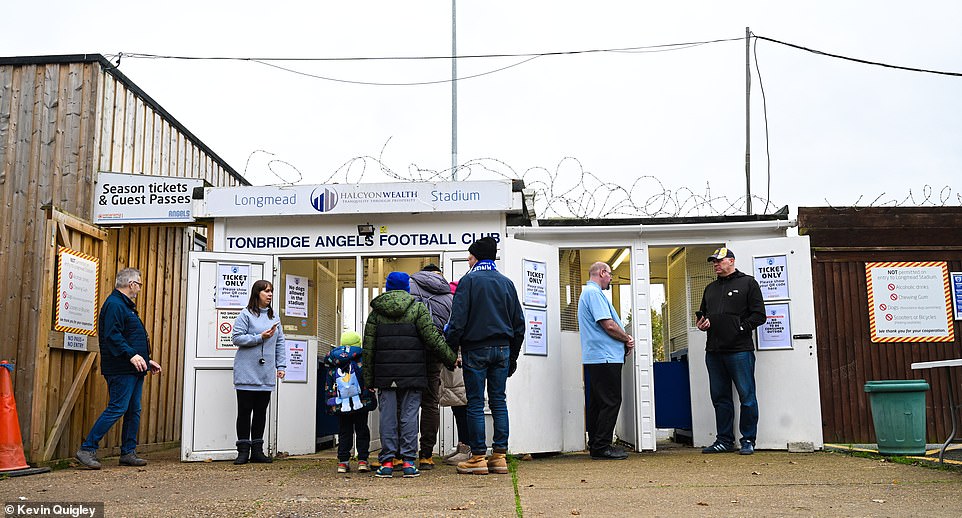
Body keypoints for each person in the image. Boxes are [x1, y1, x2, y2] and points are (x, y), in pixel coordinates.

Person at [363, 271, 456, 479]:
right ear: (407, 287)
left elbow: (368, 348)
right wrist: (451, 358)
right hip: (413, 373)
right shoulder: (417, 309)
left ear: (388, 287)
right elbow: (433, 339)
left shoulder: (376, 313)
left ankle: (386, 462)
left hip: (386, 375)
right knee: (409, 416)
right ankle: (408, 462)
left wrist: (368, 380)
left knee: (387, 417)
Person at [445, 237, 525, 475]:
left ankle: (478, 457)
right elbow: (519, 325)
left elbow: (457, 322)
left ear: (476, 257)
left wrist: (450, 350)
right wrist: (513, 356)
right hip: (502, 349)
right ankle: (499, 456)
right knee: (499, 401)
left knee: (476, 404)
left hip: (475, 350)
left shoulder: (468, 282)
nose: (468, 260)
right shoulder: (507, 284)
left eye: (469, 256)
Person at [76, 268, 162, 469]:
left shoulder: (125, 306)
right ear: (131, 284)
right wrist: (132, 355)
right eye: (139, 284)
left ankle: (128, 452)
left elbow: (129, 336)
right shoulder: (115, 305)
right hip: (121, 368)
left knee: (134, 410)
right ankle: (87, 449)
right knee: (118, 407)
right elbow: (113, 336)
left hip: (134, 368)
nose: (139, 288)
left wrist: (146, 360)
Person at [696, 247, 766, 455]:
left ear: (732, 261)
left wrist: (740, 327)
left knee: (747, 396)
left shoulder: (748, 283)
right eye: (714, 262)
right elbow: (704, 316)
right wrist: (702, 324)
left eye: (719, 261)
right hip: (714, 352)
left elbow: (759, 315)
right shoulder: (710, 288)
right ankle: (724, 440)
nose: (716, 264)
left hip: (739, 351)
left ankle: (748, 440)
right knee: (720, 397)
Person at [578, 262, 634, 460]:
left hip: (597, 357)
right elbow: (608, 325)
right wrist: (627, 338)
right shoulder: (594, 294)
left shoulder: (588, 293)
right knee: (610, 401)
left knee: (597, 403)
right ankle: (602, 447)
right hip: (605, 357)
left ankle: (596, 443)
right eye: (610, 274)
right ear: (602, 272)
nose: (611, 278)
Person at [231, 279, 287, 464]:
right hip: (247, 372)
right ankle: (242, 452)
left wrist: (281, 366)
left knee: (261, 412)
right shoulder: (246, 315)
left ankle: (257, 451)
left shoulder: (274, 317)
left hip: (265, 373)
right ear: (257, 294)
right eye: (265, 292)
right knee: (245, 411)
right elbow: (236, 338)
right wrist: (259, 337)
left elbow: (280, 342)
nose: (270, 294)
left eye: (271, 291)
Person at [408, 263, 454, 470]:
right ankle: (426, 455)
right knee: (430, 403)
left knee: (406, 401)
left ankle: (403, 454)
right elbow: (452, 328)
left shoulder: (409, 287)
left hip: (409, 352)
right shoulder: (449, 297)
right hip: (434, 352)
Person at [322, 331, 376, 473]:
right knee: (362, 429)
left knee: (344, 430)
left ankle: (343, 462)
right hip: (360, 401)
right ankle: (363, 460)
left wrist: (330, 400)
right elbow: (368, 379)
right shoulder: (362, 358)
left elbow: (329, 383)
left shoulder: (333, 359)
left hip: (342, 403)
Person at [439, 280, 472, 466]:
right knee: (457, 404)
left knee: (462, 405)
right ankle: (463, 445)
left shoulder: (460, 310)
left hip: (458, 360)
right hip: (456, 360)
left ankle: (467, 447)